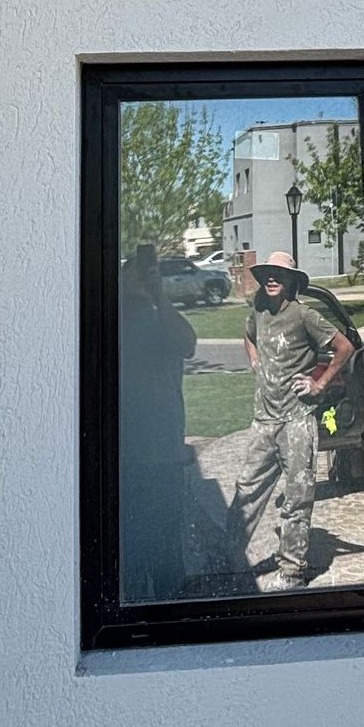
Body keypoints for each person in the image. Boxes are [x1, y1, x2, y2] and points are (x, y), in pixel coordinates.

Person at [237, 250, 356, 590]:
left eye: (278, 275)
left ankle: (292, 571)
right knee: (246, 493)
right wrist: (255, 360)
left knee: (297, 497)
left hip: (297, 420)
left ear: (291, 281)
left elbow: (345, 347)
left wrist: (319, 385)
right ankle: (228, 559)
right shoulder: (258, 311)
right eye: (267, 275)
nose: (271, 280)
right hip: (264, 420)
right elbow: (247, 335)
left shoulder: (305, 315)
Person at [118, 242, 197, 602]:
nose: (143, 276)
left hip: (164, 456)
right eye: (135, 270)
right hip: (124, 457)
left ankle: (169, 617)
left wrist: (159, 296)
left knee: (166, 550)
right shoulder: (109, 321)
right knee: (130, 554)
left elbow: (187, 343)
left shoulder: (162, 319)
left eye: (148, 270)